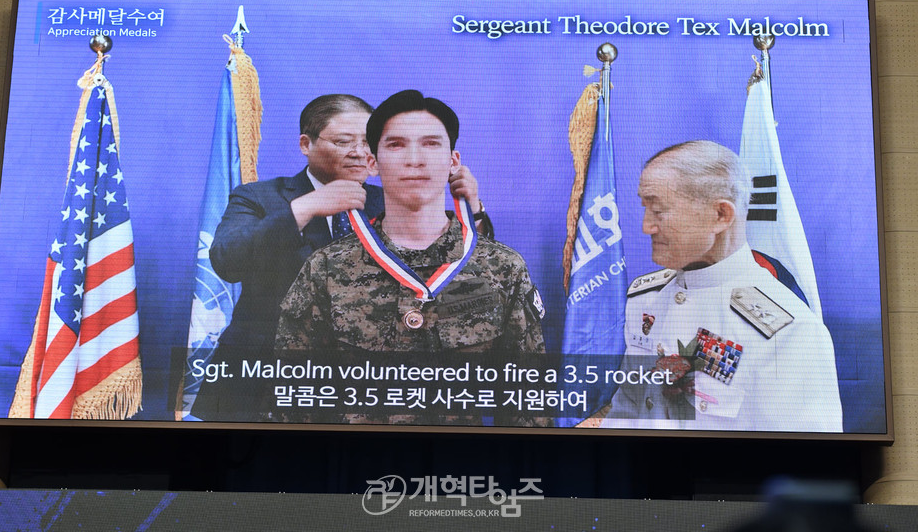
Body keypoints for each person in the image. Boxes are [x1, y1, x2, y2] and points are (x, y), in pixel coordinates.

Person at [190, 93, 486, 420]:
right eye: (344, 141)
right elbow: (227, 260)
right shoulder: (260, 197)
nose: (359, 152)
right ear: (306, 144)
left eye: (367, 142)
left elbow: (468, 272)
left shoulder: (394, 201)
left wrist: (471, 205)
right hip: (267, 377)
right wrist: (307, 207)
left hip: (371, 381)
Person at [272, 90, 546, 426]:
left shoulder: (502, 268)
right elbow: (295, 402)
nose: (414, 159)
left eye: (431, 144)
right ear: (373, 162)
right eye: (396, 145)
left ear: (452, 162)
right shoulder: (327, 268)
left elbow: (527, 404)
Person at [598, 140, 842, 432]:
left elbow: (803, 468)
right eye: (645, 207)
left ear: (720, 216)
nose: (646, 226)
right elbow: (626, 411)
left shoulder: (789, 333)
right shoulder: (645, 298)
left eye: (659, 210)